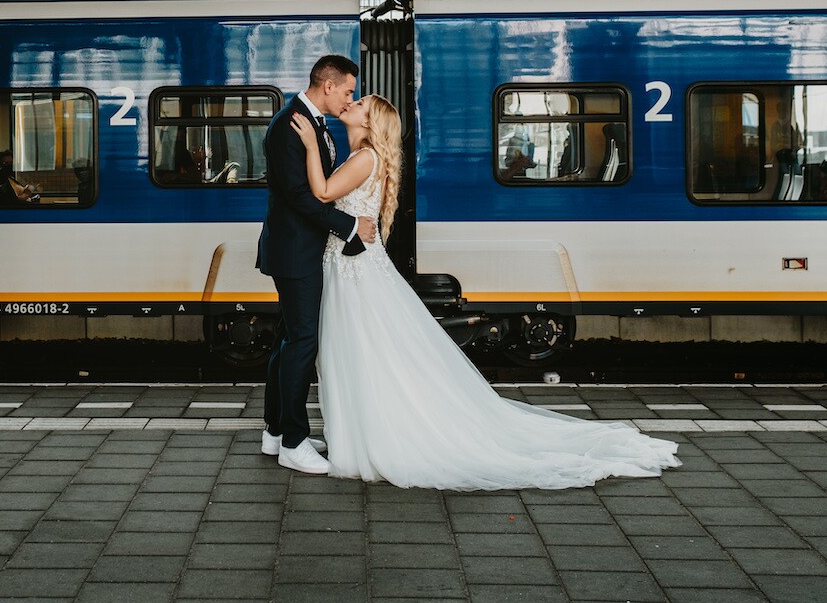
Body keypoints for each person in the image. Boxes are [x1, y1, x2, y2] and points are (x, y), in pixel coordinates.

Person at [291, 93, 681, 491]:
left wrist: (307, 146)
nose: (351, 104)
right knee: (369, 353)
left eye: (360, 105)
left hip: (353, 270)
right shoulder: (366, 157)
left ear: (370, 122)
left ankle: (369, 435)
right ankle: (368, 432)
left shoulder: (364, 158)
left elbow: (322, 193)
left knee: (360, 352)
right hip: (355, 268)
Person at [257, 55, 378, 476]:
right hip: (296, 252)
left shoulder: (311, 123)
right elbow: (301, 197)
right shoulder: (291, 124)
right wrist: (349, 227)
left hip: (300, 249)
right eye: (347, 90)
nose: (350, 98)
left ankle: (275, 432)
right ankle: (294, 442)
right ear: (328, 86)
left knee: (289, 340)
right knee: (303, 342)